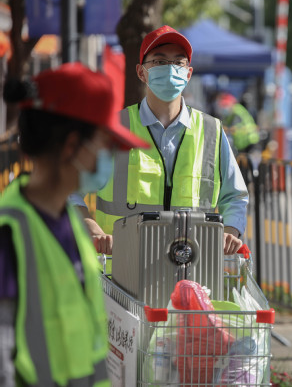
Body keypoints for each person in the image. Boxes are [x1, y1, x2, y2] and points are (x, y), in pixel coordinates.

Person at [0, 63, 149, 386]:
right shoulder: (10, 233)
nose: (111, 158)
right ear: (72, 146)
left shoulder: (70, 221)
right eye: (106, 145)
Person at [74, 25, 249, 255]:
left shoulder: (212, 131)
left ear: (188, 73)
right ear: (141, 72)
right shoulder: (113, 129)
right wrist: (92, 229)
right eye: (159, 61)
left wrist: (230, 232)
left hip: (192, 269)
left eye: (178, 62)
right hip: (124, 269)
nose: (170, 69)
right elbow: (71, 187)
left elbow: (235, 196)